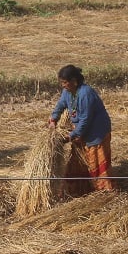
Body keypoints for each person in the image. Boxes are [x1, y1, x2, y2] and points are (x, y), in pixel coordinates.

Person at [48, 64, 115, 194]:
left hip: (96, 133)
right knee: (78, 162)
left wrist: (72, 135)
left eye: (65, 82)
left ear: (74, 81)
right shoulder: (67, 91)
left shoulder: (86, 93)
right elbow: (61, 105)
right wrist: (53, 119)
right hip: (81, 131)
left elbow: (85, 119)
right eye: (61, 83)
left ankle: (105, 193)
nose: (63, 85)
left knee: (96, 163)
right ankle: (81, 189)